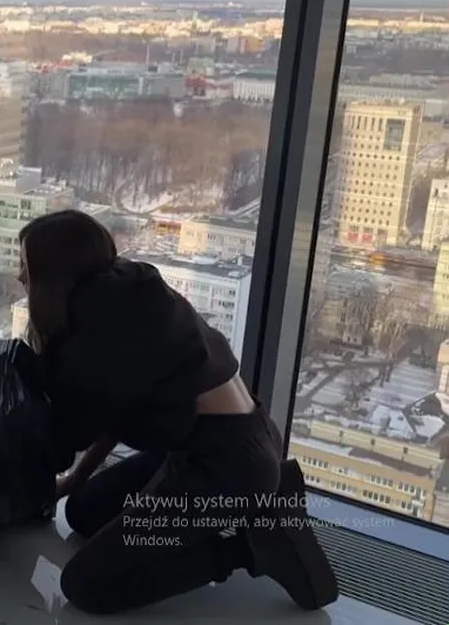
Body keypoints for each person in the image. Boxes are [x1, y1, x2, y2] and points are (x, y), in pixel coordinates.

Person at [17, 209, 338, 615]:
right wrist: (77, 479)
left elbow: (67, 438)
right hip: (232, 441)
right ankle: (266, 496)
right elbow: (117, 406)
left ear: (55, 275)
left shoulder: (93, 339)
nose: (21, 278)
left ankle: (252, 547)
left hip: (226, 467)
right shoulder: (129, 289)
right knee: (84, 511)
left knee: (87, 585)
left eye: (28, 268)